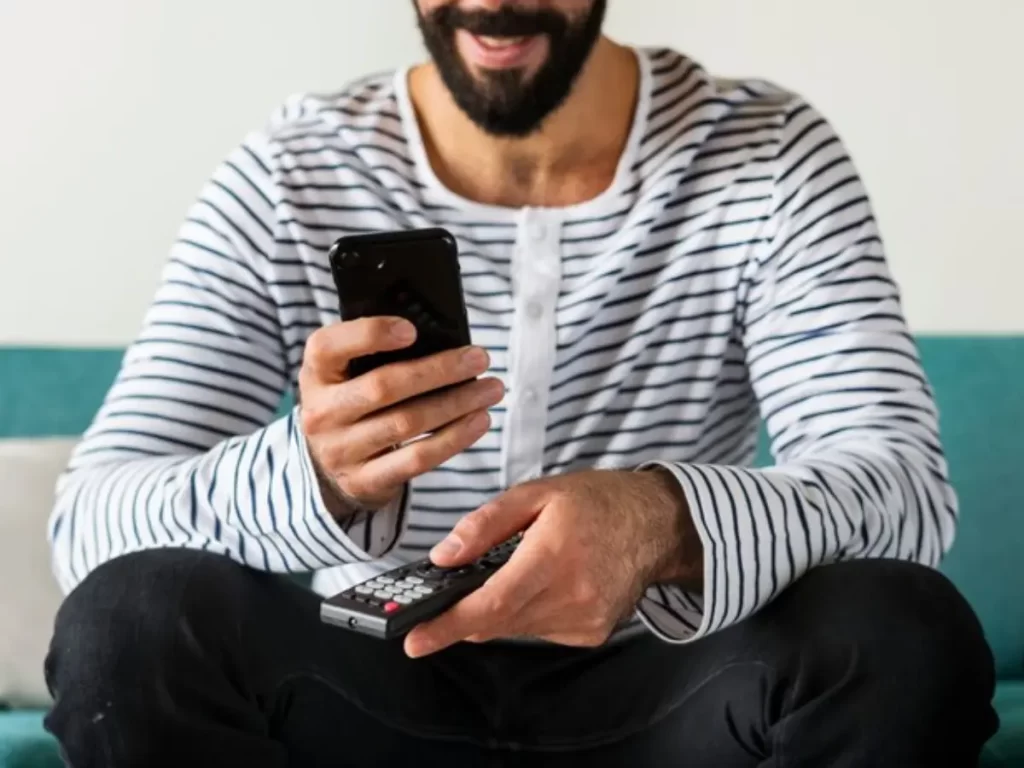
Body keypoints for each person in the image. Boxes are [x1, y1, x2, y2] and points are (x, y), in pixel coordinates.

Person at [43, 1, 998, 765]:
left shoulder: (770, 158)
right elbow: (90, 526)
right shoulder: (286, 177)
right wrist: (315, 477)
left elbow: (902, 495)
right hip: (361, 686)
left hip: (671, 691)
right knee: (127, 623)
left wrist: (663, 523)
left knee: (899, 629)